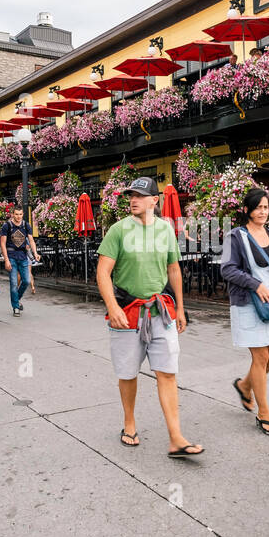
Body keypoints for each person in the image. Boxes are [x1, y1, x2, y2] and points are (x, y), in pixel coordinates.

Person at [96, 176, 201, 457]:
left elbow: (174, 269)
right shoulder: (118, 231)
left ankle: (176, 437)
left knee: (167, 372)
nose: (133, 200)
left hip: (160, 311)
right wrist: (112, 306)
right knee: (128, 373)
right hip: (128, 312)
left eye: (140, 196)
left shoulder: (166, 230)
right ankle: (129, 423)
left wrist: (180, 307)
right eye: (131, 195)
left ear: (155, 201)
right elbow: (102, 272)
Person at [221, 188, 269, 436]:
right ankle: (264, 413)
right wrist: (256, 284)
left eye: (266, 207)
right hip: (248, 304)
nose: (263, 211)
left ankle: (244, 384)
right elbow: (227, 270)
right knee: (260, 358)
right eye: (258, 207)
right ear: (247, 210)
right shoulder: (235, 237)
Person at [0, 207, 40, 317]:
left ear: (23, 214)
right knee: (13, 283)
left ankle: (16, 299)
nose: (18, 216)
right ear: (12, 214)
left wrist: (35, 253)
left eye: (20, 214)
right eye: (16, 214)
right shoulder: (7, 226)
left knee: (26, 281)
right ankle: (16, 307)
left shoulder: (26, 225)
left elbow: (31, 240)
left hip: (23, 256)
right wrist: (6, 259)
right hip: (11, 256)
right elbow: (2, 243)